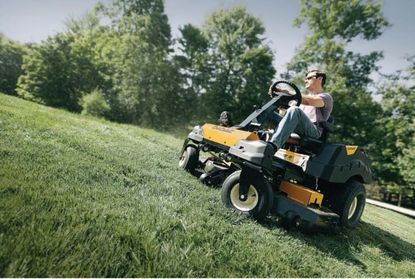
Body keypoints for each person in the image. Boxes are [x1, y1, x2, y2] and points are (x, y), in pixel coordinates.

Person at [267, 69, 333, 151]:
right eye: (305, 79)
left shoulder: (326, 97)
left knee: (295, 110)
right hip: (294, 127)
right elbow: (283, 116)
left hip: (313, 131)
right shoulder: (299, 99)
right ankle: (252, 134)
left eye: (309, 78)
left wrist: (286, 92)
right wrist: (282, 105)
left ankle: (272, 146)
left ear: (320, 79)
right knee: (268, 112)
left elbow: (309, 101)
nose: (305, 81)